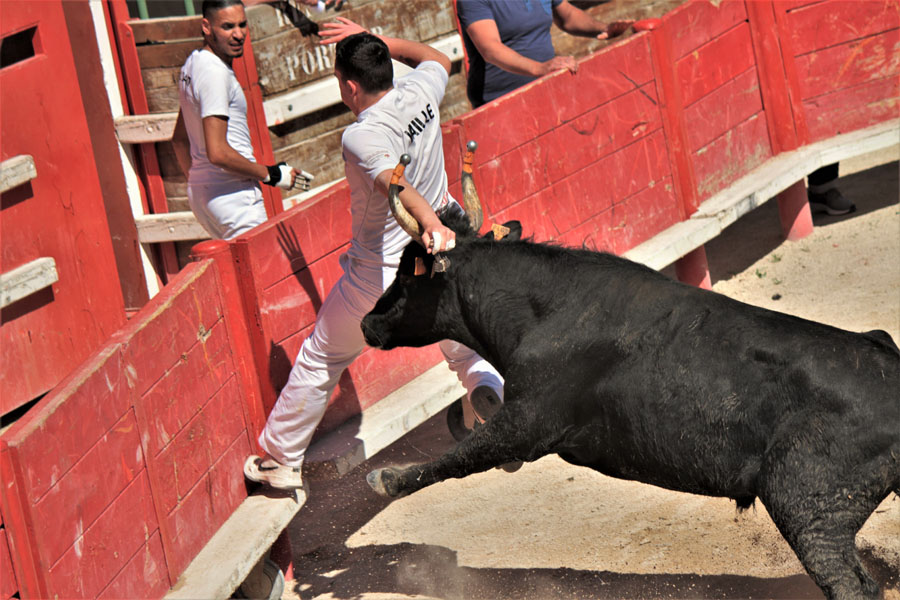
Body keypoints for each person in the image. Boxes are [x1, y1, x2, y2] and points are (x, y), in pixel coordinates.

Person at [243, 18, 508, 493]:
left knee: (323, 356)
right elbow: (437, 58)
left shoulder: (362, 135)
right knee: (462, 343)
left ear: (349, 86)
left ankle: (280, 459)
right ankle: (489, 392)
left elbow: (395, 185)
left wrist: (428, 223)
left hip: (383, 276)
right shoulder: (420, 90)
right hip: (442, 258)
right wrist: (381, 41)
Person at [172, 0, 312, 240]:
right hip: (234, 198)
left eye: (242, 25)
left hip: (204, 197)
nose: (238, 35)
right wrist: (271, 174)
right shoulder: (215, 73)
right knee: (266, 263)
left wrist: (202, 182)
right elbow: (218, 153)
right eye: (227, 27)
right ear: (206, 27)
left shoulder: (193, 64)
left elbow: (179, 140)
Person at [455, 0, 634, 108]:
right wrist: (539, 68)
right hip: (500, 104)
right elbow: (490, 49)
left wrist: (604, 28)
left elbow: (568, 17)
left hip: (547, 91)